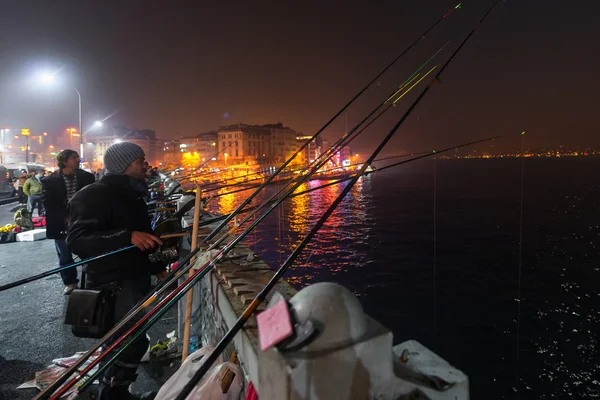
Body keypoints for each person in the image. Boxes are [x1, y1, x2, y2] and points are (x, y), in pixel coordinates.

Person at [67, 142, 168, 400]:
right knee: (127, 343)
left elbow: (143, 236)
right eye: (140, 161)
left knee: (124, 343)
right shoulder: (92, 194)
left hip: (134, 277)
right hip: (112, 283)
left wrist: (156, 267)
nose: (146, 165)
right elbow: (78, 240)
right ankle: (112, 395)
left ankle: (114, 393)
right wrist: (126, 236)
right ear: (124, 166)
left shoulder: (131, 194)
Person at [42, 150, 95, 295]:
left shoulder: (87, 177)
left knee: (89, 250)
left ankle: (93, 278)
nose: (78, 160)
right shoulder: (49, 180)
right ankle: (71, 283)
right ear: (64, 161)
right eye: (74, 158)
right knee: (65, 255)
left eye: (77, 157)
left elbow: (93, 198)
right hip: (61, 222)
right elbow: (48, 203)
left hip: (84, 219)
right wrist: (65, 216)